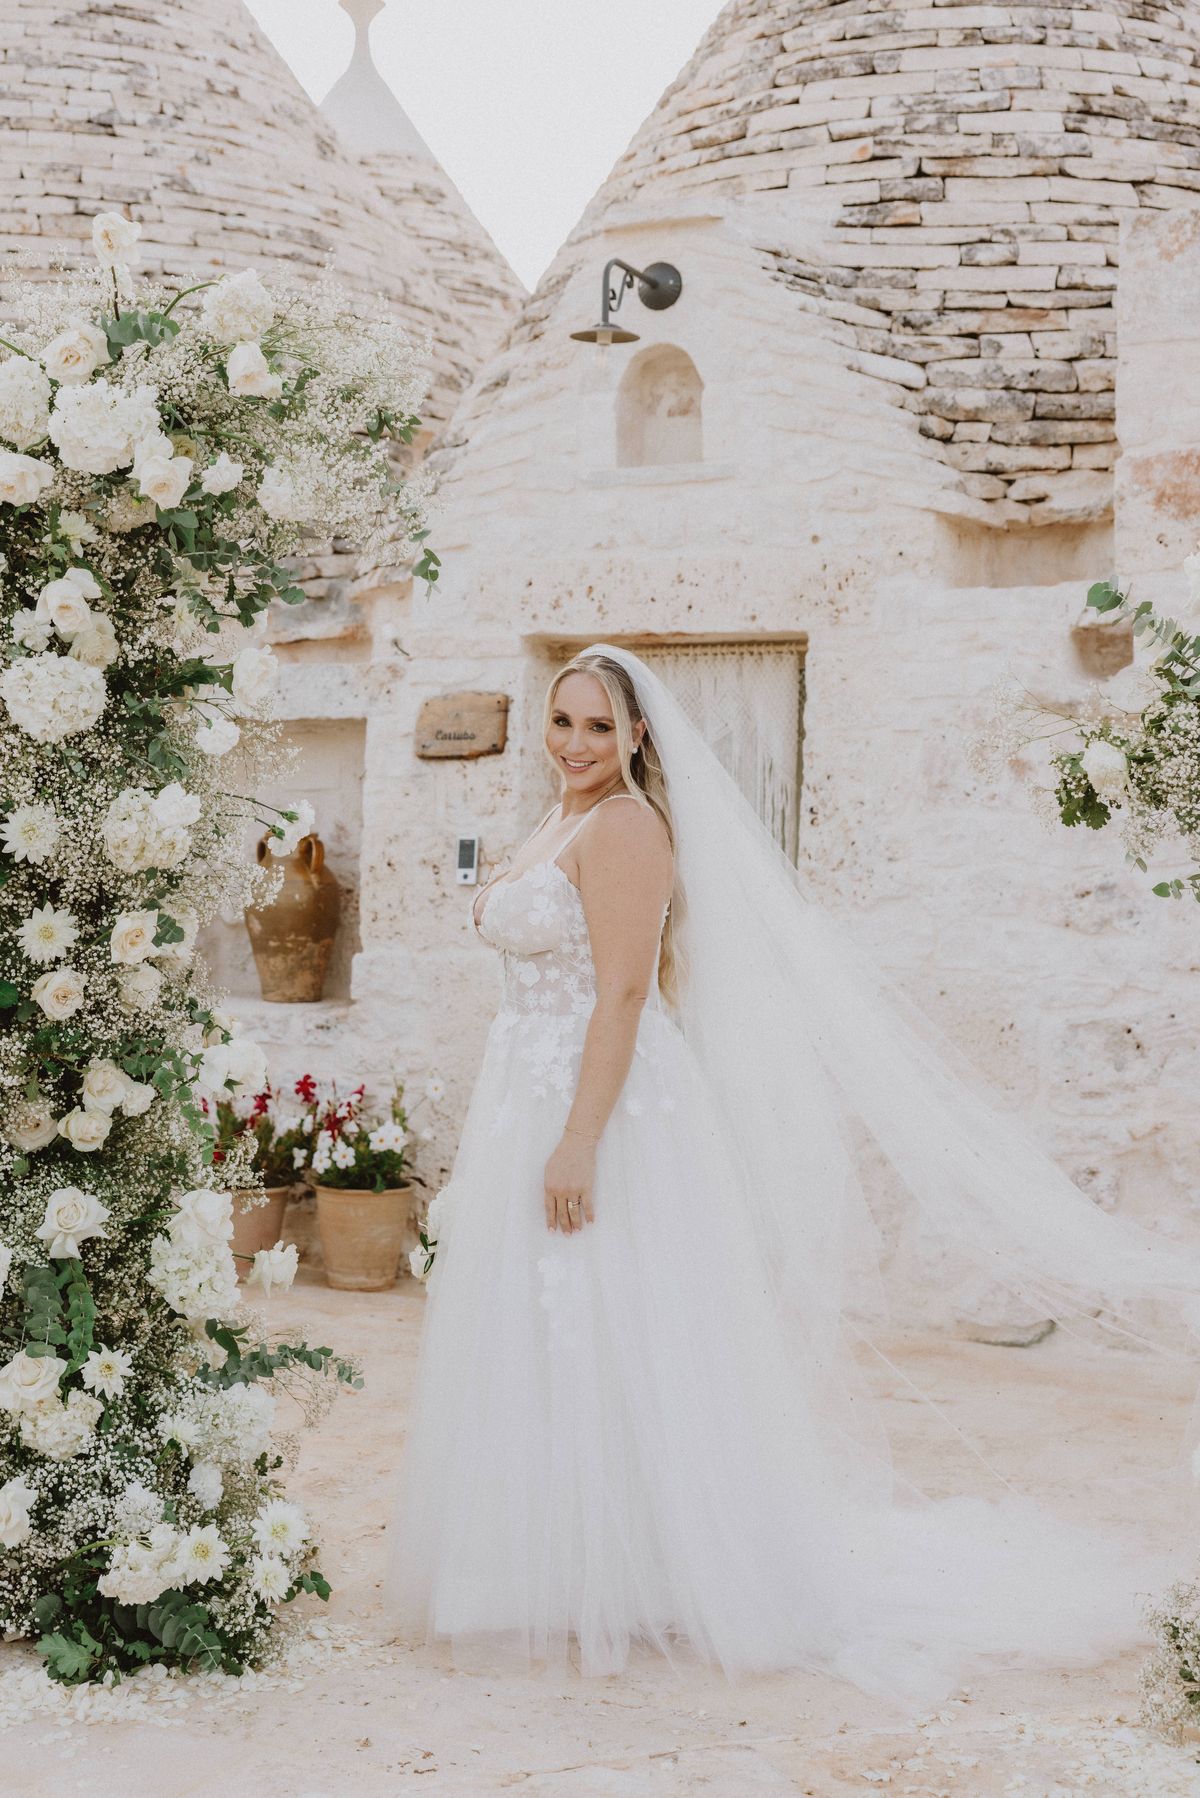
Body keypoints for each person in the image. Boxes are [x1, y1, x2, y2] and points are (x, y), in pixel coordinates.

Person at [384, 643, 1196, 1703]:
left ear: (636, 735)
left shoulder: (627, 826)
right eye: (561, 720)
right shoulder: (557, 815)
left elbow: (625, 995)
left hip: (600, 1100)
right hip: (526, 1086)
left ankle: (652, 1564)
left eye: (596, 725)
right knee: (543, 1326)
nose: (575, 742)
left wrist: (579, 1137)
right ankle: (550, 1557)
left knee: (611, 1315)